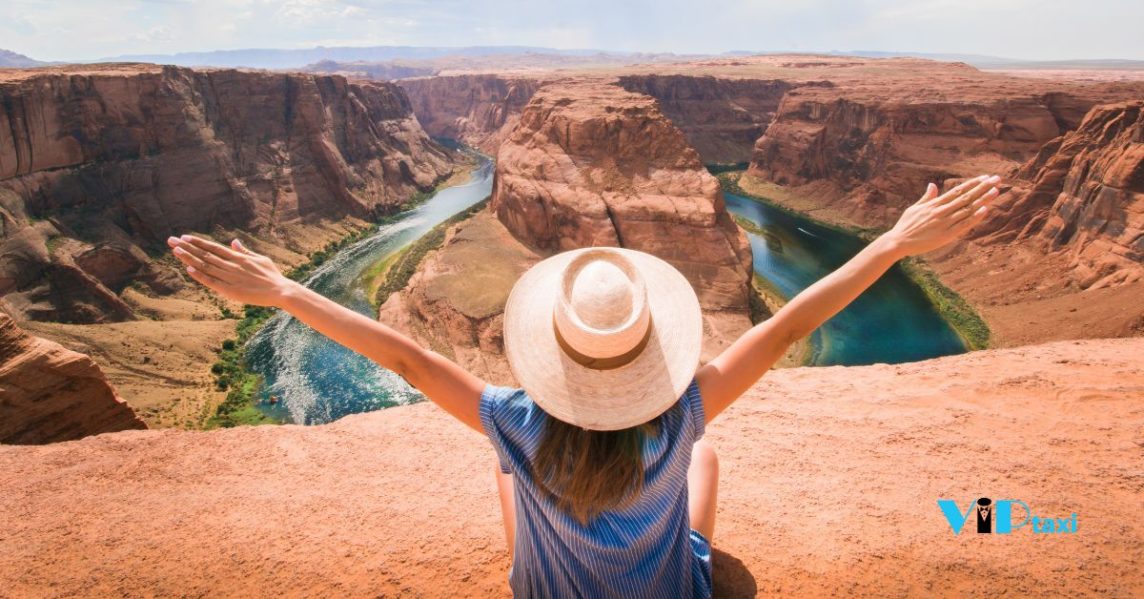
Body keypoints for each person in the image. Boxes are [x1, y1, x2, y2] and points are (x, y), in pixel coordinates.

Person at [169, 175, 1001, 597]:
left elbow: (409, 362)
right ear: (648, 352)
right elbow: (783, 329)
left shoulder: (516, 422)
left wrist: (282, 291)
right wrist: (892, 243)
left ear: (556, 356)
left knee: (504, 469)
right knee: (704, 463)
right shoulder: (683, 415)